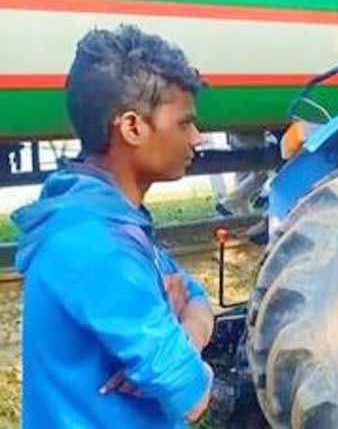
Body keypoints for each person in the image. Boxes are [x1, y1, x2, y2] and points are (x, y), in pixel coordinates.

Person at [14, 26, 214, 428]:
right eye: (185, 124)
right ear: (132, 128)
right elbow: (194, 397)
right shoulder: (97, 245)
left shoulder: (108, 217)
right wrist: (191, 355)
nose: (198, 138)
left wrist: (183, 334)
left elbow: (196, 295)